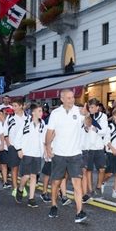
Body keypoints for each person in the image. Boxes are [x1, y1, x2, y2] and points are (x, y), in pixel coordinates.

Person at [45, 89, 88, 223]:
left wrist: (86, 115)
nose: (71, 100)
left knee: (77, 183)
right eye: (68, 98)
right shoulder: (55, 113)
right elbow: (50, 132)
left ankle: (79, 212)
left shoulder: (79, 111)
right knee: (56, 182)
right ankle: (53, 205)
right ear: (62, 99)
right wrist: (47, 146)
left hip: (75, 154)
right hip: (59, 154)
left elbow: (88, 125)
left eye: (72, 97)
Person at [14, 103, 46, 208]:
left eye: (42, 111)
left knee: (33, 176)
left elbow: (44, 138)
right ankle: (20, 189)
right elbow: (17, 137)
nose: (41, 113)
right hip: (27, 152)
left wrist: (45, 150)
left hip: (37, 153)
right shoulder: (26, 123)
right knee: (26, 176)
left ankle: (31, 198)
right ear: (33, 112)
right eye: (39, 111)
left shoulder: (43, 124)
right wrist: (19, 149)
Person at [4, 101, 27, 196]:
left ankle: (22, 186)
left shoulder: (28, 118)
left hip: (25, 146)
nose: (13, 107)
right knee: (14, 167)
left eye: (15, 105)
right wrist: (9, 145)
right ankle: (15, 187)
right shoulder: (10, 118)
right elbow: (5, 132)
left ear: (21, 106)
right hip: (13, 146)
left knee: (25, 169)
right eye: (13, 106)